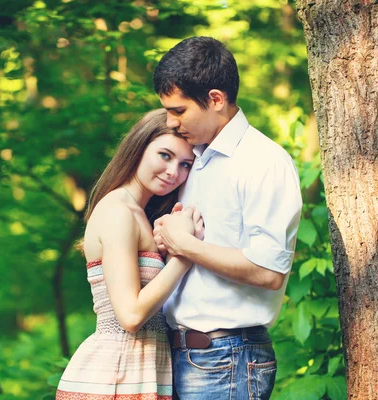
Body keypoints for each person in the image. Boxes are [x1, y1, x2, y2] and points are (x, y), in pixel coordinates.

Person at [152, 36, 303, 399]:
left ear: (216, 100)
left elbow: (268, 271)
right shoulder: (191, 159)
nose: (171, 122)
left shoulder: (262, 161)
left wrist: (184, 245)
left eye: (179, 110)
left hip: (227, 360)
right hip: (179, 356)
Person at [56, 108, 204, 400]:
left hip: (139, 371)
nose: (174, 172)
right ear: (138, 147)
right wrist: (185, 253)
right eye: (165, 155)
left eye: (186, 164)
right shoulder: (117, 211)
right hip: (115, 373)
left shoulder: (138, 215)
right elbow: (131, 315)